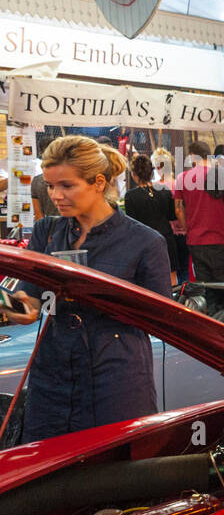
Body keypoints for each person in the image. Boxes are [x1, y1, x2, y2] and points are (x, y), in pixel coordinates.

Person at [5, 137, 171, 444]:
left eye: (66, 186)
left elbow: (161, 320)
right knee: (48, 480)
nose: (55, 195)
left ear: (97, 182)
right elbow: (29, 309)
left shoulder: (145, 242)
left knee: (112, 476)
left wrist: (101, 297)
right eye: (51, 186)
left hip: (115, 379)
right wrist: (4, 301)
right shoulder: (47, 232)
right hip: (52, 379)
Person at [175, 140, 224, 282]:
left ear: (192, 156)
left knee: (204, 286)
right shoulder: (222, 175)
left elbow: (178, 210)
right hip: (221, 239)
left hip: (196, 240)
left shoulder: (182, 178)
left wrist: (188, 228)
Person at [123, 153, 180, 286]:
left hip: (144, 241)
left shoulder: (130, 196)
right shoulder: (164, 190)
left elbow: (132, 223)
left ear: (133, 174)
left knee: (149, 279)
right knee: (171, 276)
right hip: (166, 237)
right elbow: (172, 215)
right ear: (151, 172)